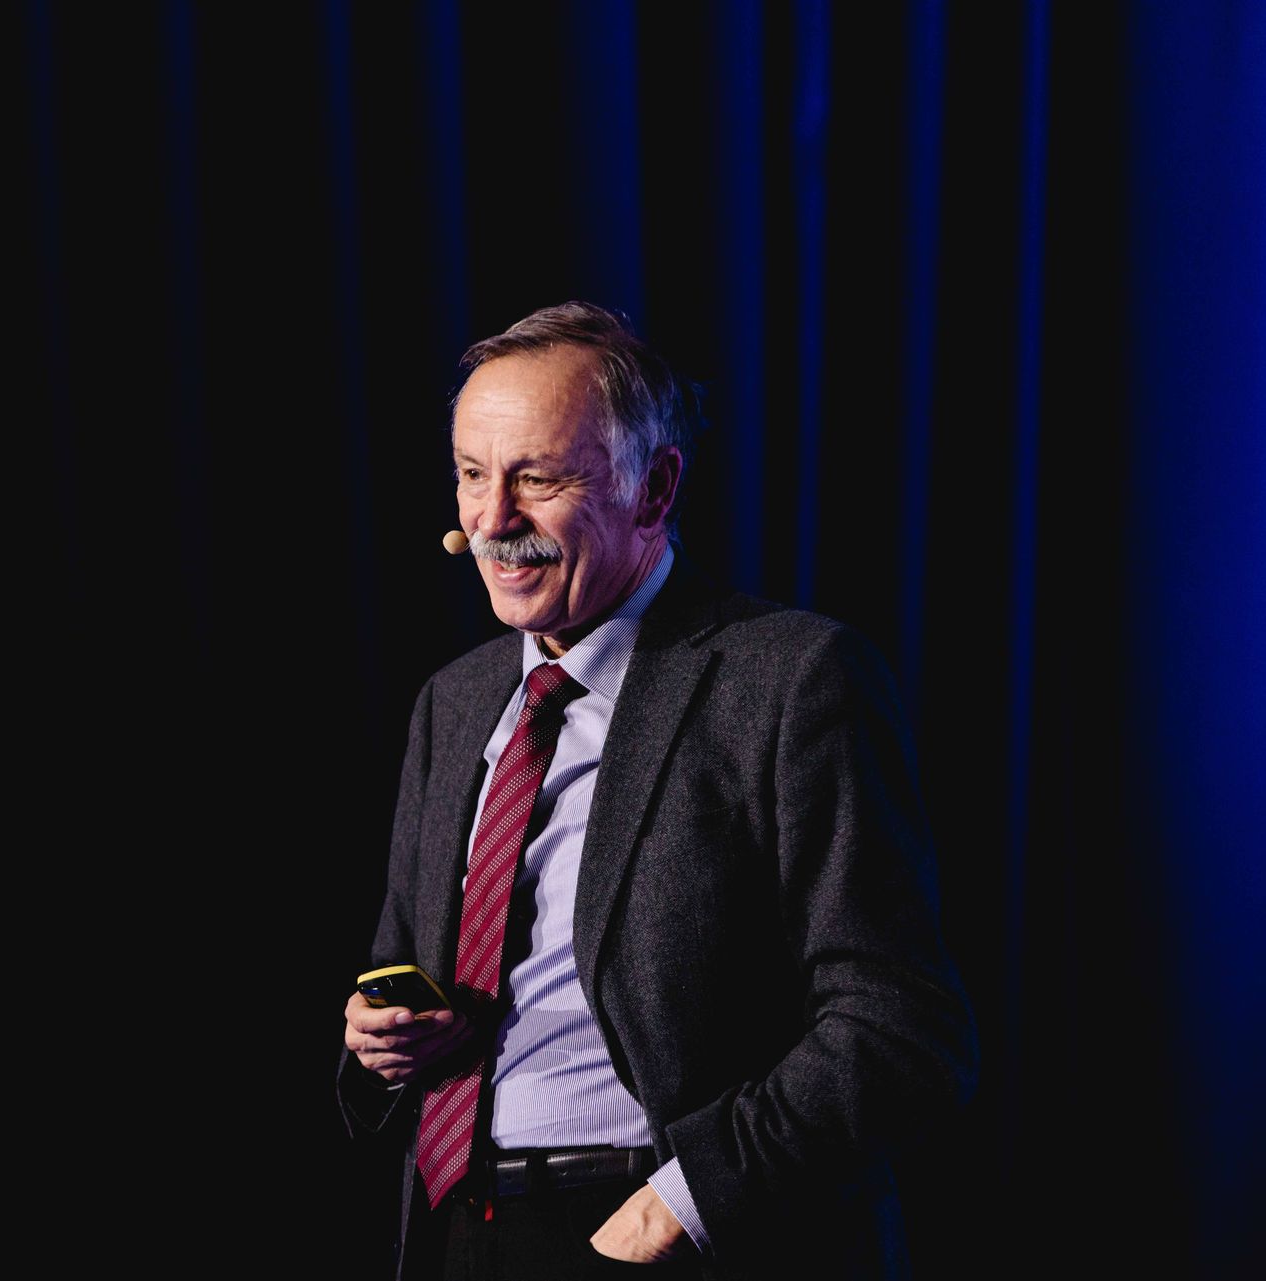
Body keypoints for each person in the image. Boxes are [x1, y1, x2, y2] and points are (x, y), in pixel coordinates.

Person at [338, 302, 979, 1280]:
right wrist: (389, 1040)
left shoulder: (791, 679)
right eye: (472, 473)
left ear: (655, 487)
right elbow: (402, 968)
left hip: (668, 1230)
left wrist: (682, 1204)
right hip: (457, 1230)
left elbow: (900, 1030)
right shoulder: (453, 703)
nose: (490, 521)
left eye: (537, 479)